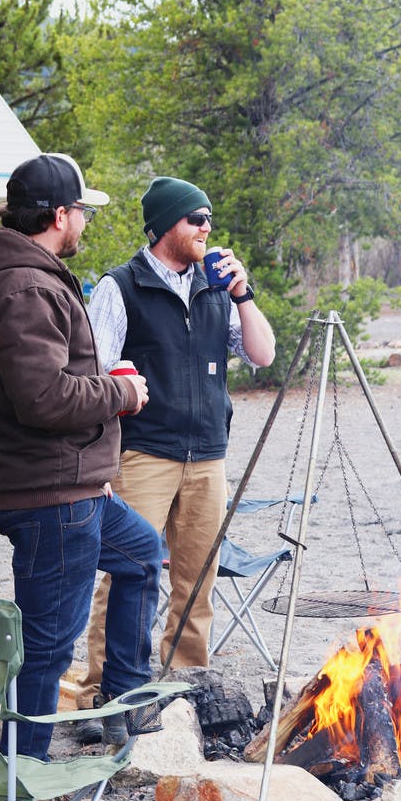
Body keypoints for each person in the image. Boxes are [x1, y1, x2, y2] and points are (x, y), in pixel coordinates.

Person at [0, 153, 162, 801]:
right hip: (49, 493)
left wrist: (101, 382)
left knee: (141, 553)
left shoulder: (22, 277)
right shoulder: (23, 286)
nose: (87, 222)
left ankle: (121, 703)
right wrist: (121, 392)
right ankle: (23, 791)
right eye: (82, 212)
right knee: (47, 646)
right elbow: (42, 398)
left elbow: (48, 380)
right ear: (57, 215)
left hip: (74, 484)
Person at [74, 175, 276, 743]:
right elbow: (91, 372)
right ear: (165, 225)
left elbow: (262, 354)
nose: (206, 228)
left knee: (198, 577)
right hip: (142, 453)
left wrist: (243, 293)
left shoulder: (217, 289)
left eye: (208, 219)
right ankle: (101, 694)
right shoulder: (122, 286)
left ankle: (183, 688)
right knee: (123, 572)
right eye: (195, 219)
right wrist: (98, 461)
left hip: (208, 454)